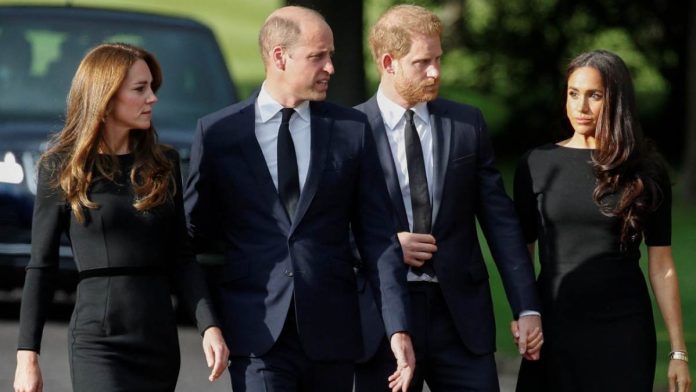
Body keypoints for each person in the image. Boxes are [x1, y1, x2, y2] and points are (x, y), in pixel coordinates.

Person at [183, 6, 415, 392]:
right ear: (279, 56)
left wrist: (398, 328)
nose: (330, 67)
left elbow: (379, 237)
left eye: (331, 55)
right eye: (317, 56)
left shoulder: (350, 130)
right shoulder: (220, 134)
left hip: (333, 334)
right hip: (257, 333)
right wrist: (208, 320)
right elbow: (193, 236)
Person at [13, 43, 229, 392]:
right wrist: (27, 356)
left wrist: (210, 327)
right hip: (98, 340)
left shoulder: (164, 163)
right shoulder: (63, 168)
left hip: (157, 338)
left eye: (152, 88)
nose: (152, 99)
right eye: (140, 89)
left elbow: (182, 257)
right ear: (107, 96)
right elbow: (42, 265)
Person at [354, 5, 543, 391]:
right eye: (423, 62)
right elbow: (328, 227)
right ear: (389, 63)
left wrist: (527, 306)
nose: (436, 71)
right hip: (382, 318)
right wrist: (389, 247)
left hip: (460, 317)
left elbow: (500, 222)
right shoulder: (349, 132)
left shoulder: (466, 124)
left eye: (438, 58)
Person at [513, 49, 692, 392]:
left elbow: (662, 264)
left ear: (616, 99)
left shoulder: (645, 170)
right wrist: (523, 312)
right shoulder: (536, 164)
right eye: (573, 93)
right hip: (554, 326)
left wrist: (678, 351)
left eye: (594, 95)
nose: (580, 107)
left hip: (623, 330)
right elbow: (522, 252)